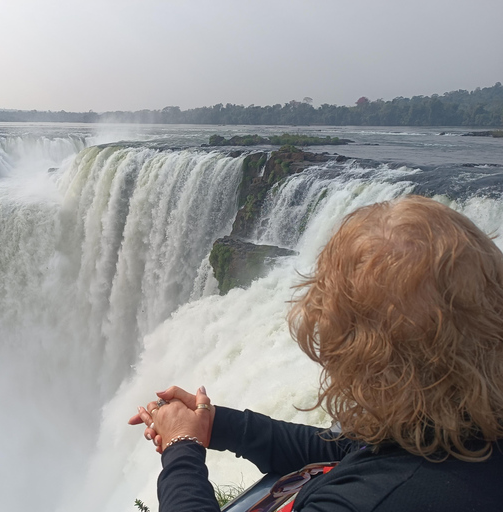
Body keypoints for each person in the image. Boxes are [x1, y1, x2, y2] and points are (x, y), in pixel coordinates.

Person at [129, 195, 503, 511]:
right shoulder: (459, 424)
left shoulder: (364, 501)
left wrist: (181, 447)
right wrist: (216, 426)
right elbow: (350, 448)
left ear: (366, 361)